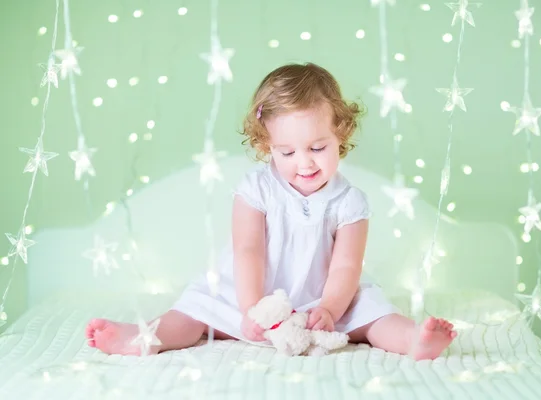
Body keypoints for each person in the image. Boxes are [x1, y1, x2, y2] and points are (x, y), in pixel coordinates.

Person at [85, 62, 456, 360]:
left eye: (317, 147)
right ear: (267, 146)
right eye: (287, 152)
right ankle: (145, 336)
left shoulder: (349, 202)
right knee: (194, 313)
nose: (305, 163)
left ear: (340, 135)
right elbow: (248, 250)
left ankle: (414, 339)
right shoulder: (255, 189)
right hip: (252, 292)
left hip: (324, 295)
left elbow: (346, 266)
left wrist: (328, 308)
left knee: (374, 315)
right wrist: (251, 309)